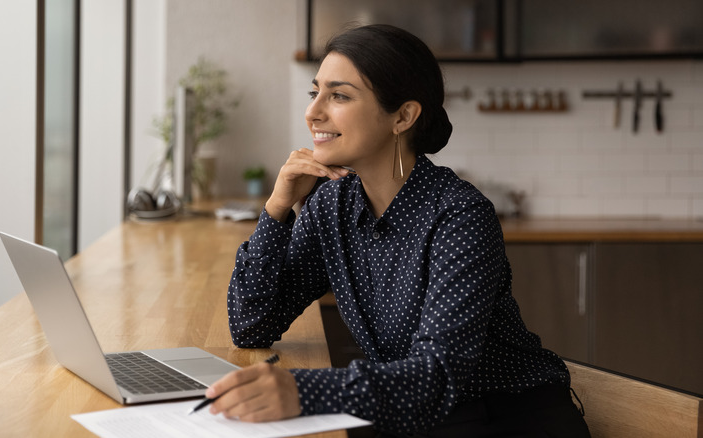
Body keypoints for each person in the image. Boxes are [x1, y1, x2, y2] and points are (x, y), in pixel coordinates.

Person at [205, 24, 591, 437]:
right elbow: (251, 325)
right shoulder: (332, 205)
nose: (313, 111)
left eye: (339, 95)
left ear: (403, 116)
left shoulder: (460, 216)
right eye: (314, 92)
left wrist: (300, 390)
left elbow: (436, 375)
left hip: (508, 422)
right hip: (418, 420)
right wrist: (278, 207)